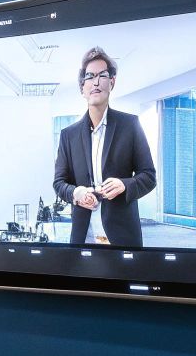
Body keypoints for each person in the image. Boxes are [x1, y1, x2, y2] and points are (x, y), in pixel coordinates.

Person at [52, 47, 157, 246]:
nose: (96, 82)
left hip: (122, 237)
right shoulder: (68, 135)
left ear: (112, 82)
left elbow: (149, 176)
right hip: (84, 238)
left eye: (103, 75)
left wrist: (124, 185)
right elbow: (59, 182)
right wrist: (77, 193)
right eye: (90, 77)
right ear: (82, 87)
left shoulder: (131, 125)